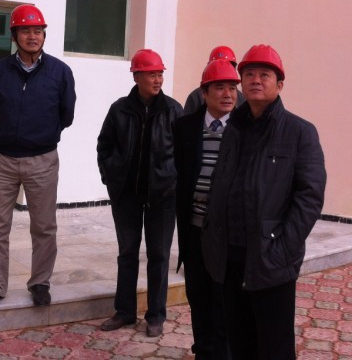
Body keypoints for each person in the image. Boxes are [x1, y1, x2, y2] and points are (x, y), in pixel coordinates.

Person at [201, 44, 326, 360]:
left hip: (270, 260)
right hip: (231, 258)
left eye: (265, 75)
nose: (256, 80)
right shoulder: (233, 128)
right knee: (240, 344)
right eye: (249, 74)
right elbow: (220, 182)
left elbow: (310, 197)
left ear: (279, 84)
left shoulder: (299, 132)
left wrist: (283, 247)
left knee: (274, 348)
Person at [0, 4, 76, 309]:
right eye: (25, 31)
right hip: (2, 159)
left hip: (42, 160)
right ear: (14, 35)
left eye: (37, 31)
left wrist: (41, 134)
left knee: (44, 226)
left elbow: (66, 115)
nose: (32, 36)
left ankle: (40, 283)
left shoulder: (60, 72)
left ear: (44, 35)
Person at [97, 49, 183, 336]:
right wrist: (111, 178)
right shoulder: (119, 109)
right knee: (127, 253)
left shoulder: (173, 110)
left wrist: (172, 182)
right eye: (151, 74)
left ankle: (156, 315)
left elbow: (184, 153)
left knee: (159, 255)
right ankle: (125, 312)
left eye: (160, 74)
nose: (157, 80)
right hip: (127, 195)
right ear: (136, 77)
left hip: (163, 197)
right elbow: (104, 145)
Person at [174, 59, 239, 359]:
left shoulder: (244, 129)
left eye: (232, 88)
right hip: (194, 229)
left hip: (226, 234)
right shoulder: (185, 127)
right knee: (197, 296)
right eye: (220, 88)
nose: (228, 94)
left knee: (224, 300)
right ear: (204, 93)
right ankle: (203, 351)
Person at [183, 46, 245, 114]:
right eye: (220, 88)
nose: (227, 95)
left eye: (232, 88)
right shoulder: (196, 96)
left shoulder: (241, 97)